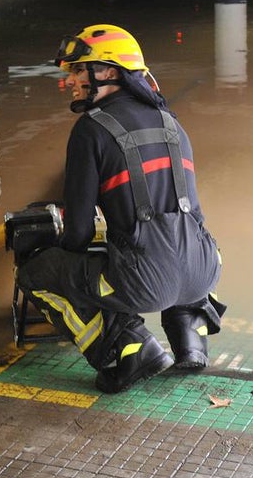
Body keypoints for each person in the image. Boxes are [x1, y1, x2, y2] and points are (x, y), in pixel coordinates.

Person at [15, 24, 226, 393]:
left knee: (35, 273)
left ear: (109, 72)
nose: (72, 81)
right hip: (206, 268)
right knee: (174, 253)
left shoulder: (90, 129)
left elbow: (79, 230)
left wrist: (70, 270)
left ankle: (128, 347)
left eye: (81, 70)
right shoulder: (170, 121)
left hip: (147, 282)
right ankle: (190, 337)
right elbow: (192, 212)